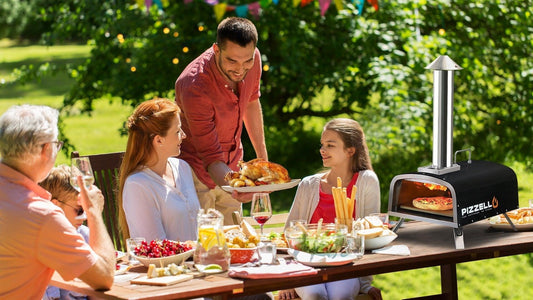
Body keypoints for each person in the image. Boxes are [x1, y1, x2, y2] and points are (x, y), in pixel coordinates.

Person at [0, 105, 116, 299]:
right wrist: (94, 212)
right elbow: (104, 277)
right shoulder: (41, 215)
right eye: (57, 145)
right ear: (46, 149)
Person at [175, 16, 268, 225]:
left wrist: (263, 162)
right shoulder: (194, 86)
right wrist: (237, 186)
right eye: (232, 60)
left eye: (247, 61)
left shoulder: (252, 59)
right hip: (195, 174)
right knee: (205, 247)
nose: (240, 68)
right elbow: (211, 157)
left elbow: (252, 103)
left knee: (236, 243)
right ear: (216, 50)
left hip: (232, 165)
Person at [279, 118, 383, 300]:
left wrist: (365, 285)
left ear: (350, 150)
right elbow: (289, 234)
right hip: (306, 263)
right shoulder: (308, 185)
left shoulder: (367, 181)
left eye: (330, 145)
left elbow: (369, 237)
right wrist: (286, 281)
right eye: (322, 144)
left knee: (341, 295)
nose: (322, 150)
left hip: (346, 264)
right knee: (314, 293)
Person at [118, 98, 201, 242]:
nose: (184, 135)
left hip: (199, 261)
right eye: (177, 131)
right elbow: (155, 246)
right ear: (159, 140)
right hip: (168, 264)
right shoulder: (137, 185)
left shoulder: (182, 168)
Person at [40, 165, 89, 300]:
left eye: (86, 209)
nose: (84, 217)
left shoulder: (84, 235)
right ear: (55, 205)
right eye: (79, 210)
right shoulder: (38, 245)